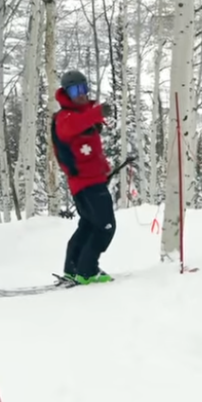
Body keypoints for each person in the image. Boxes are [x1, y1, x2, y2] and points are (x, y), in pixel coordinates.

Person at [51, 70, 117, 284]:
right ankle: (87, 270)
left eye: (83, 89)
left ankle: (72, 268)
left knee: (88, 225)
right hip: (85, 184)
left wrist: (104, 169)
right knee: (105, 226)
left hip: (91, 181)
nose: (80, 94)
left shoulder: (82, 116)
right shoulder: (65, 117)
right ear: (66, 93)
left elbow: (91, 151)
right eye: (75, 90)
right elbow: (72, 127)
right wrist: (97, 113)